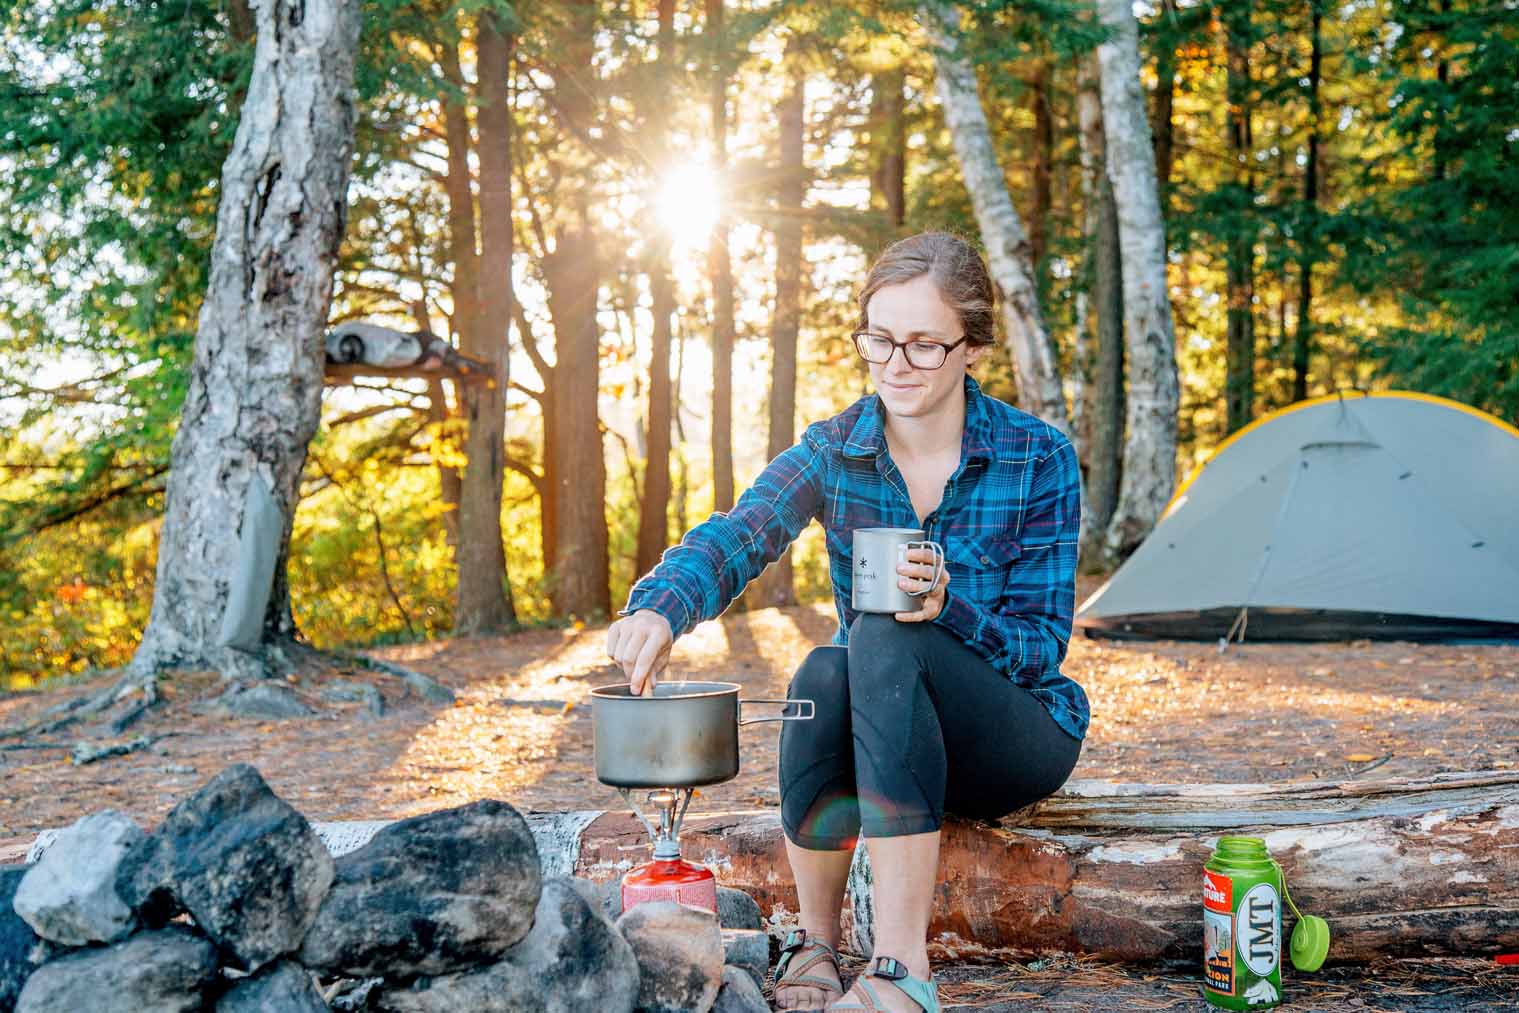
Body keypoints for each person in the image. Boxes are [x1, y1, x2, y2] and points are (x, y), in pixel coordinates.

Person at [605, 231, 1087, 1013]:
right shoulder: (835, 449)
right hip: (886, 738)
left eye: (924, 344)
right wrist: (661, 603)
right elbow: (743, 529)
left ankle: (902, 968)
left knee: (885, 629)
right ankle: (817, 942)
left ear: (972, 348)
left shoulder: (1037, 456)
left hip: (1013, 733)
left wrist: (948, 609)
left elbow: (1040, 648)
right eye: (879, 338)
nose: (896, 363)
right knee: (822, 670)